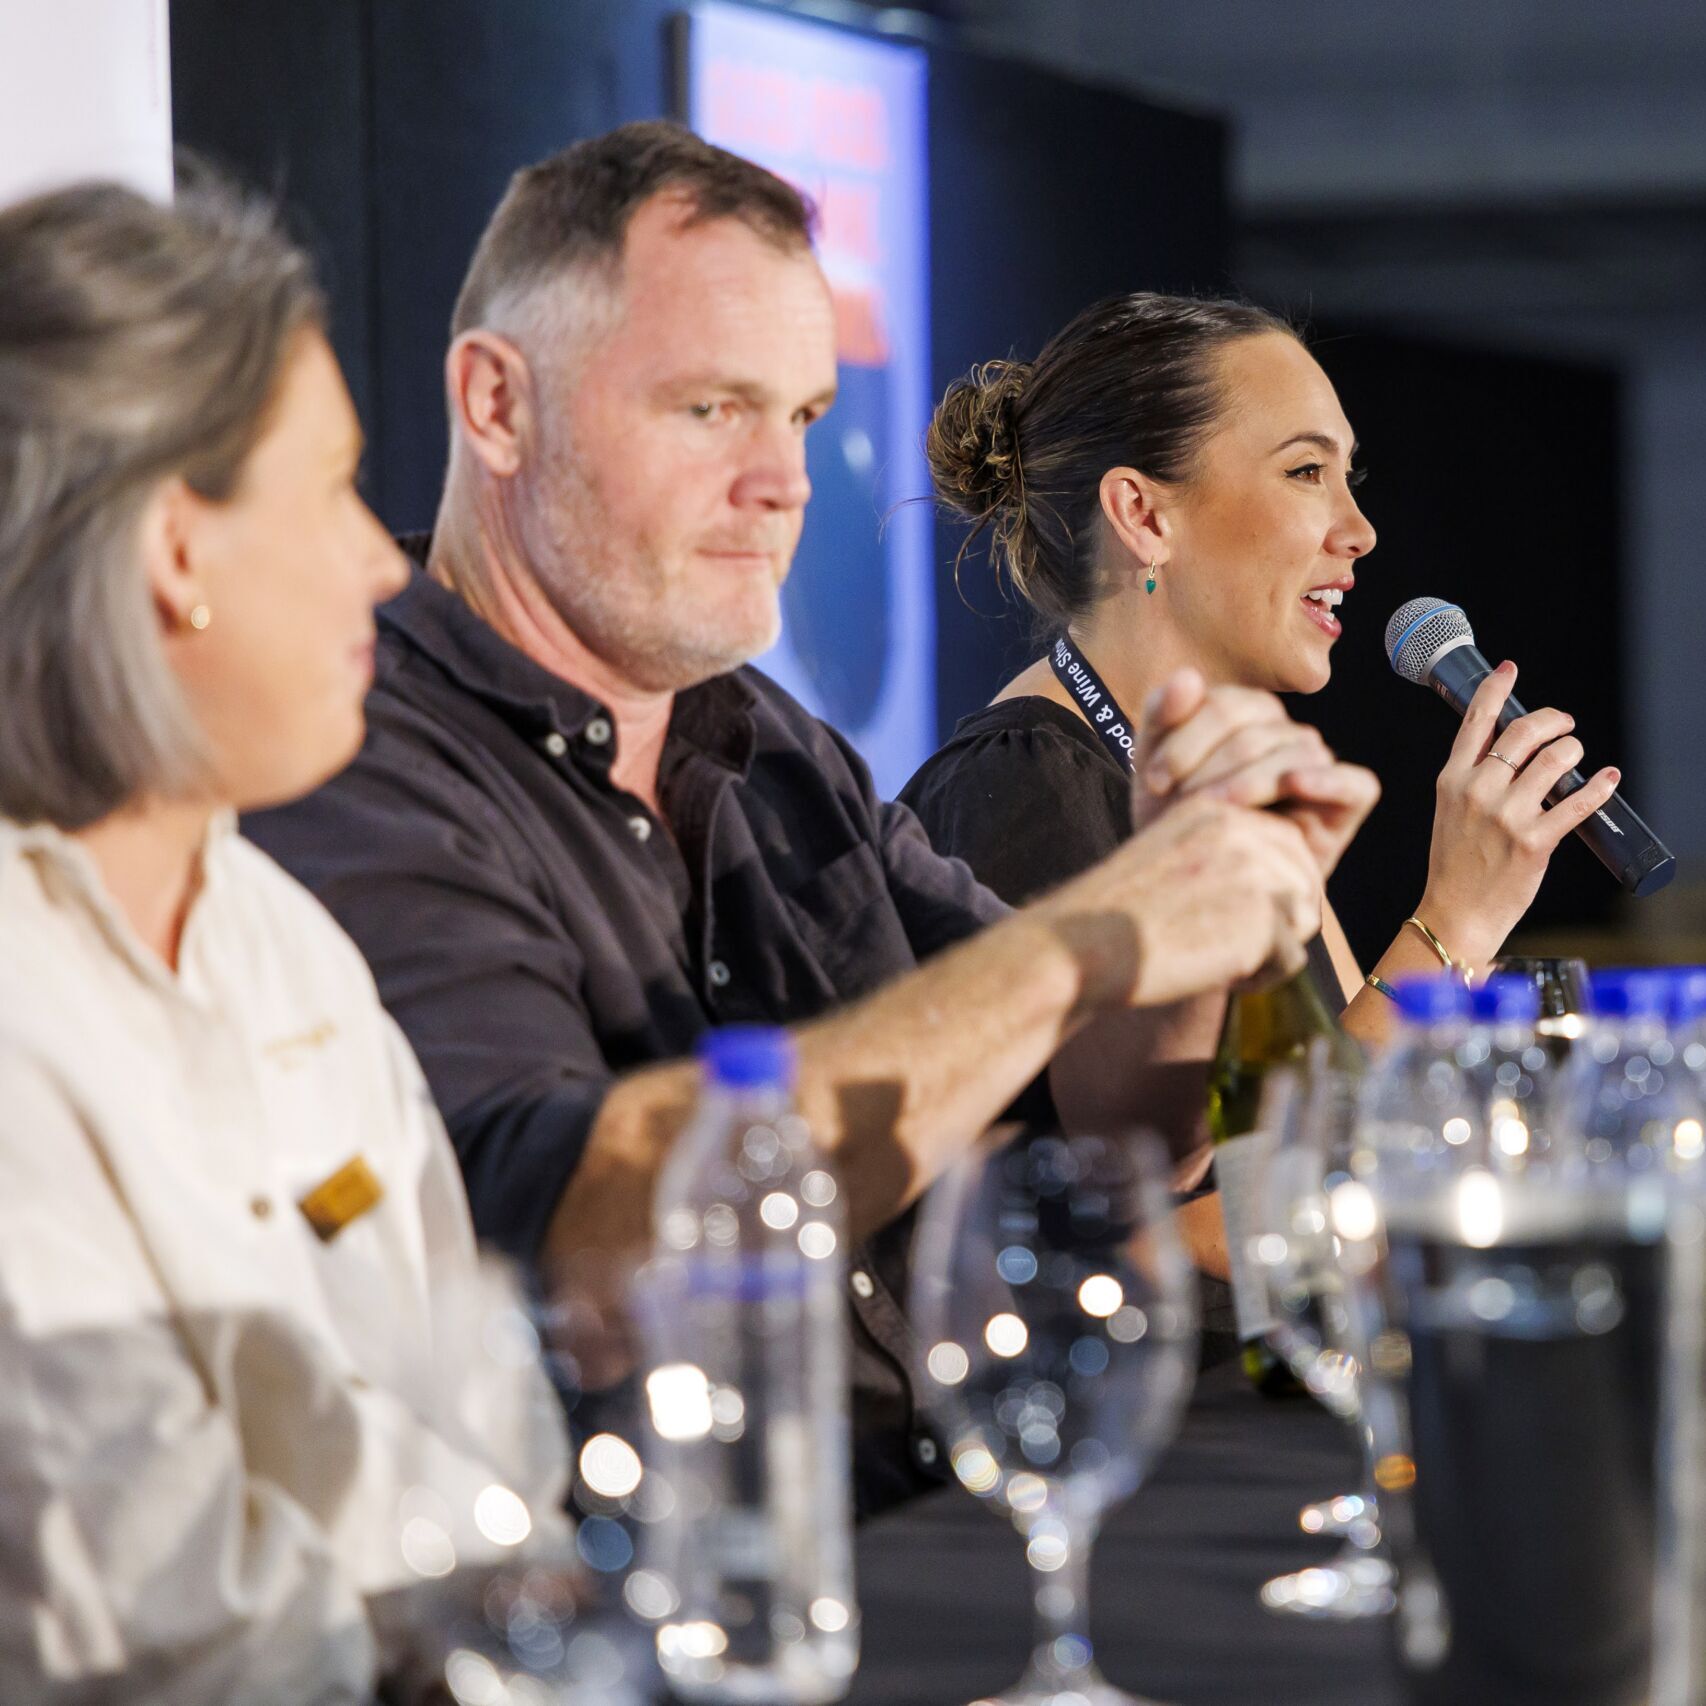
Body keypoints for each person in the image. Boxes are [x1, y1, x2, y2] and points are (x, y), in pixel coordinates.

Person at [246, 122, 1375, 1514]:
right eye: (711, 408)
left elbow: (1113, 1130)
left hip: (934, 1525)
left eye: (803, 418)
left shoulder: (776, 744)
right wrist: (1108, 926)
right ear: (497, 405)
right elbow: (585, 1229)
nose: (782, 481)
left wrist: (1192, 920)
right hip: (656, 1591)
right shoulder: (360, 759)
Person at [0, 177, 567, 1703]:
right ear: (177, 547)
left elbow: (496, 1429)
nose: (382, 560)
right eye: (329, 489)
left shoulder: (283, 939)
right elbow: (163, 1617)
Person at [901, 293, 1620, 1060]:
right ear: (1143, 517)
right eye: (1306, 470)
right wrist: (1455, 925)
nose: (1361, 531)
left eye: (1349, 475)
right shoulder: (1017, 798)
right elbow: (1208, 1175)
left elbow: (1307, 1107)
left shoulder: (1241, 795)